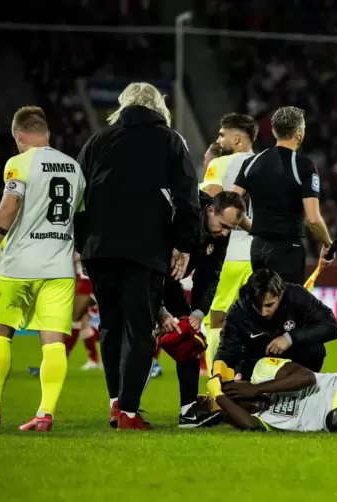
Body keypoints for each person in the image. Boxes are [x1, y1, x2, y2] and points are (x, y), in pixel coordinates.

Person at [75, 82, 201, 430]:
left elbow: (78, 197)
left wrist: (82, 243)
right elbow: (187, 197)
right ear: (158, 106)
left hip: (99, 248)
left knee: (110, 325)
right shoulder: (169, 140)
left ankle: (116, 402)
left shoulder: (98, 141)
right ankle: (129, 412)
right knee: (140, 328)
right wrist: (183, 243)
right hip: (145, 247)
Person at [0, 106, 85, 431]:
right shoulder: (74, 166)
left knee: (0, 333)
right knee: (54, 342)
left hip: (19, 263)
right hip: (59, 267)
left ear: (19, 135)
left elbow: (9, 205)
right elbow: (81, 216)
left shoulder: (19, 163)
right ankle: (44, 414)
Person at [151, 191, 246, 428]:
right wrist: (159, 310)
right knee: (141, 341)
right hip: (143, 279)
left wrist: (198, 312)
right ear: (210, 210)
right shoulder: (179, 214)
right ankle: (125, 410)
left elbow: (210, 275)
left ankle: (188, 411)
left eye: (230, 229)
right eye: (223, 226)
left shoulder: (219, 233)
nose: (224, 233)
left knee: (189, 341)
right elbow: (150, 258)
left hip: (170, 282)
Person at [231, 106, 335, 285]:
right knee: (287, 307)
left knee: (263, 306)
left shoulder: (251, 163)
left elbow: (230, 205)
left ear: (274, 131)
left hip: (258, 248)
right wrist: (328, 245)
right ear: (299, 133)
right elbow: (313, 219)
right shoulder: (303, 166)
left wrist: (253, 227)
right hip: (288, 249)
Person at [213, 269, 337, 381]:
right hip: (256, 363)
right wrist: (218, 376)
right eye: (257, 305)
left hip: (297, 359)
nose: (263, 313)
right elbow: (226, 351)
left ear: (280, 295)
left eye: (269, 305)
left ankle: (305, 388)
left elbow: (331, 326)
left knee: (315, 349)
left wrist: (290, 338)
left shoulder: (296, 295)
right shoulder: (238, 312)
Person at [204, 113, 258, 375]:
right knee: (255, 320)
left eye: (222, 134)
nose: (219, 139)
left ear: (237, 138)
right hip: (259, 253)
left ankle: (217, 384)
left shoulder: (221, 163)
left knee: (215, 320)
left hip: (228, 255)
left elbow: (212, 200)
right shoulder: (266, 162)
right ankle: (245, 381)